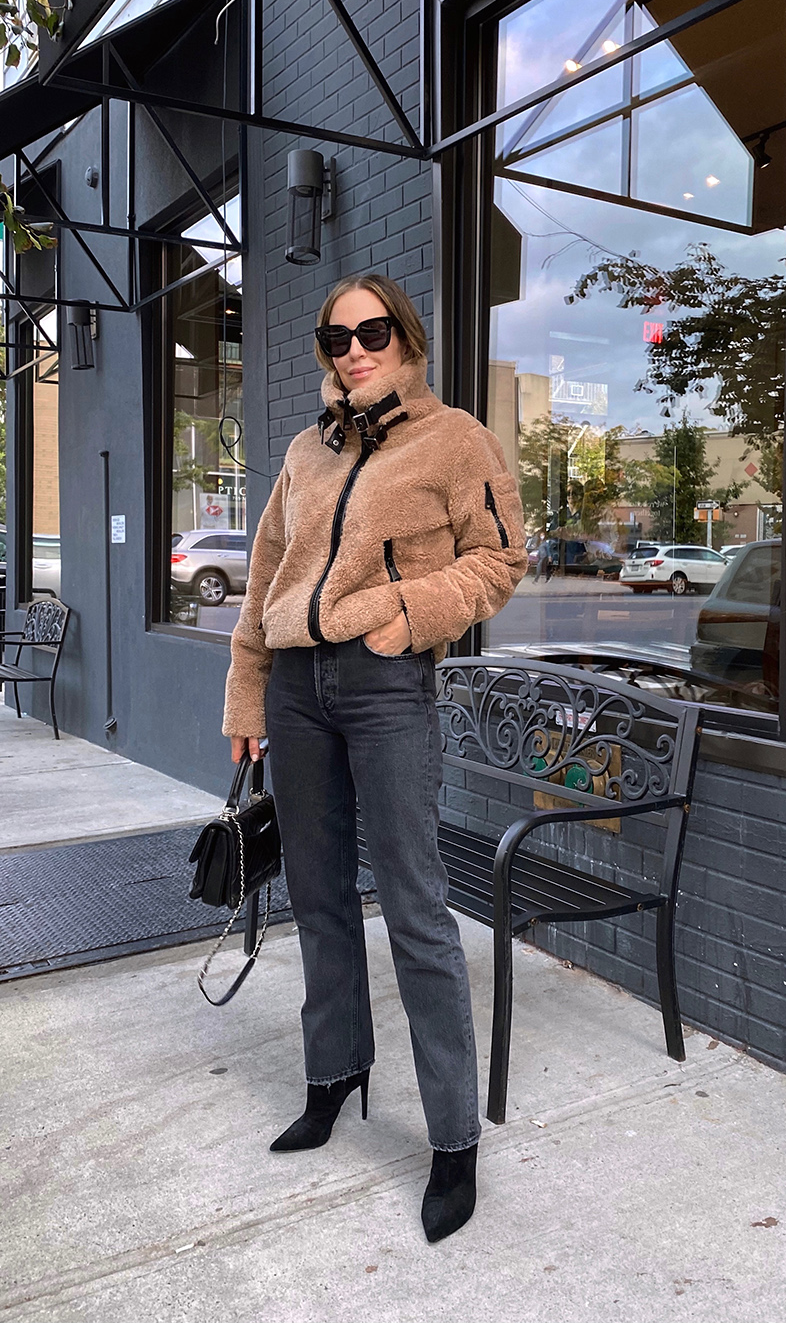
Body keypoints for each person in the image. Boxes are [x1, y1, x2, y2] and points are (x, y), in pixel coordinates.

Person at [222, 274, 527, 1243]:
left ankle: (449, 1138)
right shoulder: (303, 454)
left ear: (406, 338)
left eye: (371, 330)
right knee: (315, 892)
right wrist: (245, 691)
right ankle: (333, 1071)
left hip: (386, 679)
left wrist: (406, 617)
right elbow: (265, 571)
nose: (352, 348)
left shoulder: (454, 439)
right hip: (295, 690)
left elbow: (500, 558)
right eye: (334, 335)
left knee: (412, 901)